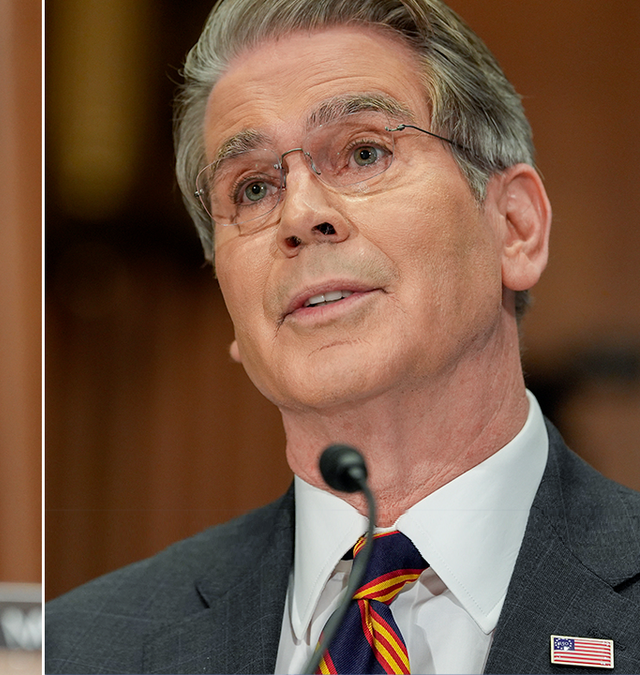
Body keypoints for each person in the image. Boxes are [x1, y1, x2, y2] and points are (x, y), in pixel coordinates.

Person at [45, 0, 640, 672]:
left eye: (364, 152)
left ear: (514, 227)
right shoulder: (80, 649)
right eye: (253, 190)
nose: (299, 214)